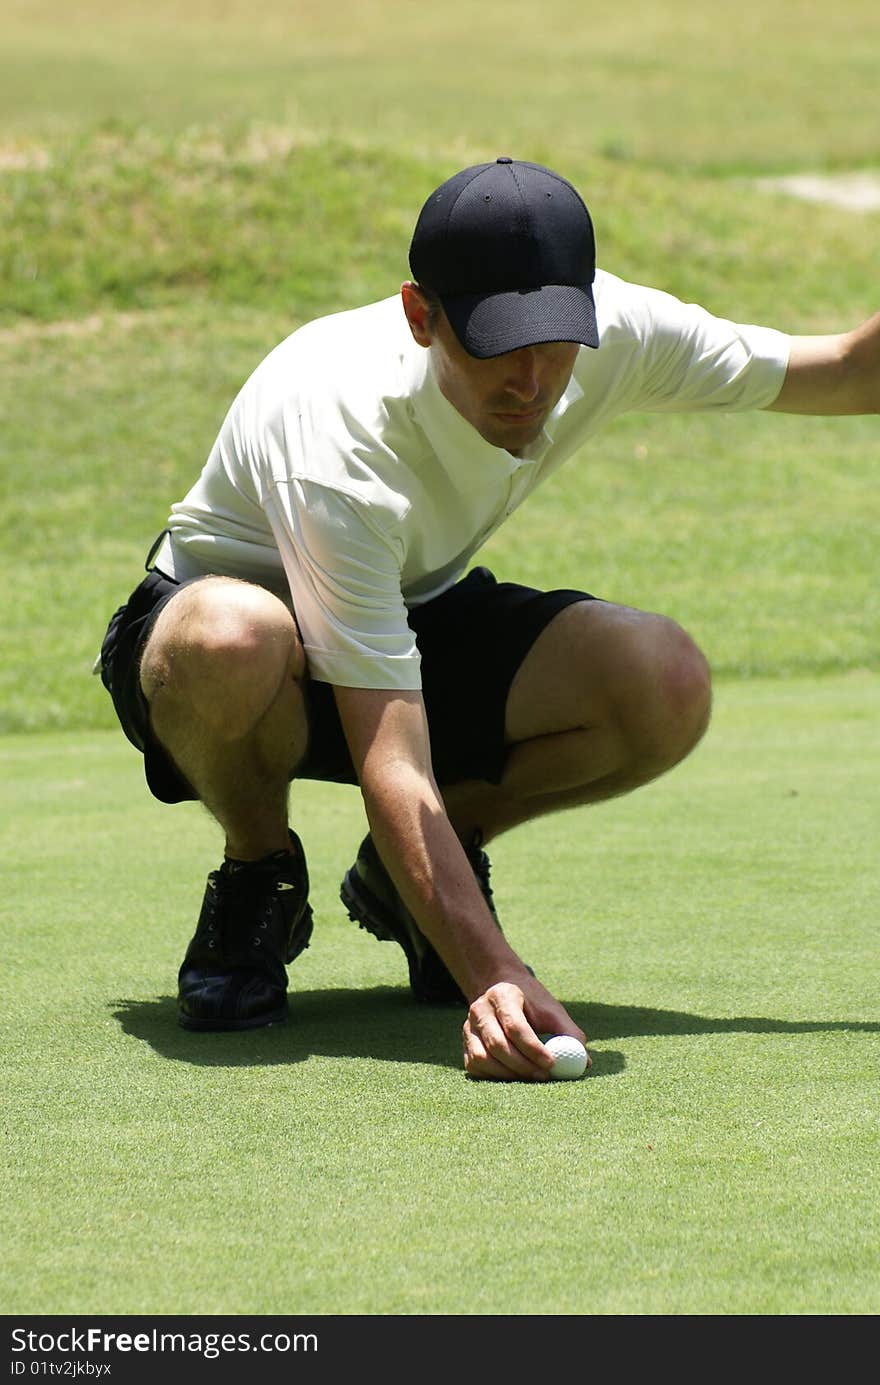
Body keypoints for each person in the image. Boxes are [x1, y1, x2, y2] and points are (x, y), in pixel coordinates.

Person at [98, 156, 878, 1082]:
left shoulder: (611, 330)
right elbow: (390, 753)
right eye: (496, 343)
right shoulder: (339, 432)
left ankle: (413, 878)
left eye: (554, 341)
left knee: (663, 679)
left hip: (406, 608)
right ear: (421, 317)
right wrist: (492, 973)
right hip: (214, 658)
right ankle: (259, 868)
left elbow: (845, 372)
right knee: (237, 633)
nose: (532, 379)